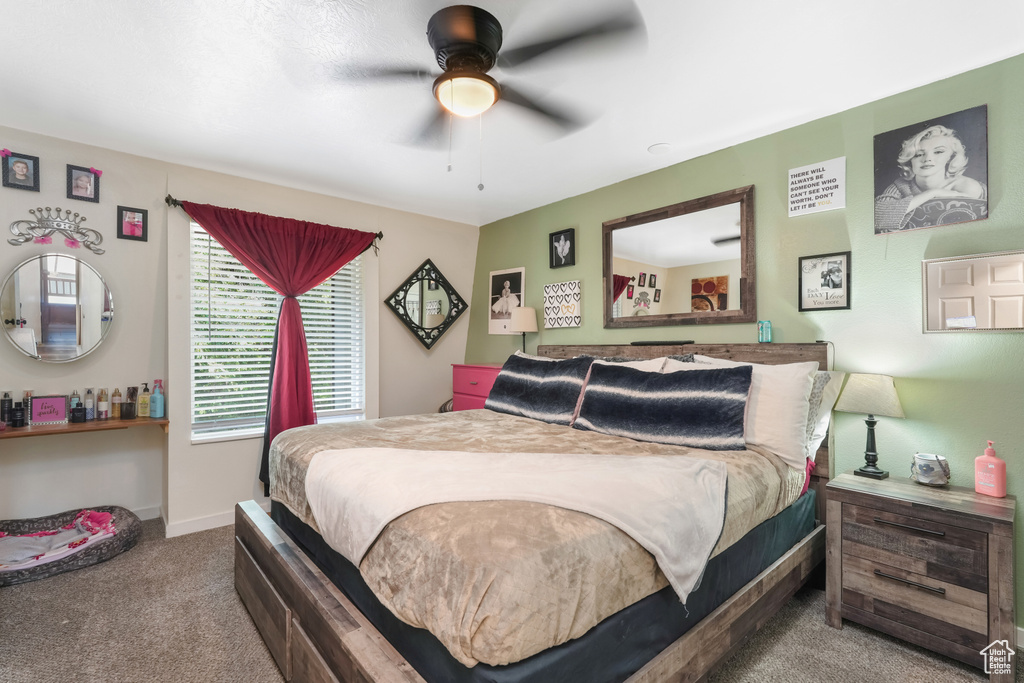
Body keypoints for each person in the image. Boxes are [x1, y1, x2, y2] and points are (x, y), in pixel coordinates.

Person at [875, 124, 986, 233]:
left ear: (951, 157)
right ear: (910, 160)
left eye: (938, 152)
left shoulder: (966, 186)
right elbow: (877, 219)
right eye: (918, 154)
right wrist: (932, 193)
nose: (927, 159)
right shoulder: (901, 185)